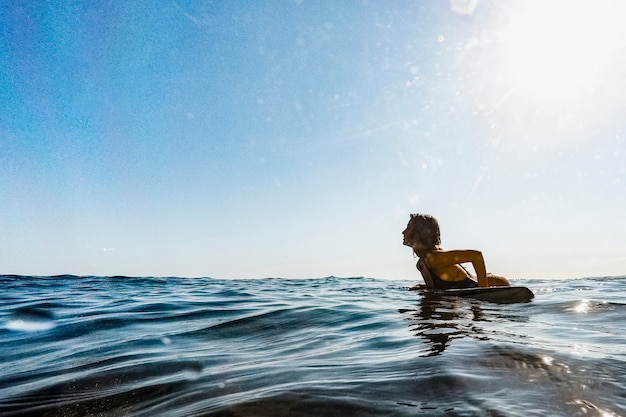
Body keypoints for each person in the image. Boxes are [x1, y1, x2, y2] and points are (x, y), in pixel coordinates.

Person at [402, 213, 510, 290]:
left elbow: (476, 256)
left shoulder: (435, 258)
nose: (403, 232)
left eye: (408, 227)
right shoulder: (422, 263)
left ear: (419, 233)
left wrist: (484, 291)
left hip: (497, 284)